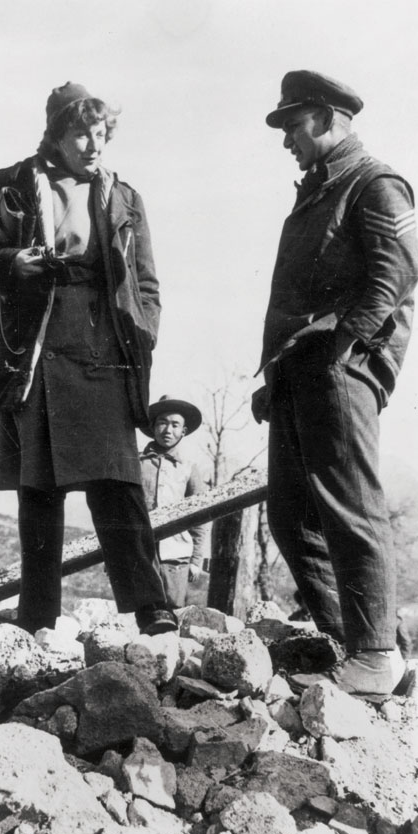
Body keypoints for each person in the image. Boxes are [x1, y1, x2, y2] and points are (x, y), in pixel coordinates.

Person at [0, 82, 176, 636]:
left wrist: (142, 333)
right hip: (34, 345)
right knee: (39, 486)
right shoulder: (10, 184)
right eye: (81, 134)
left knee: (117, 480)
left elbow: (146, 283)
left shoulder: (124, 196)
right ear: (55, 134)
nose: (94, 145)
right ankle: (38, 620)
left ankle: (152, 610)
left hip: (103, 347)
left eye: (101, 133)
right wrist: (10, 262)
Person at [253, 70, 418, 698]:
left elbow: (398, 273)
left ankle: (374, 654)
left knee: (350, 507)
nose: (286, 139)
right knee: (291, 517)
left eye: (293, 125)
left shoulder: (374, 183)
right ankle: (357, 648)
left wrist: (345, 347)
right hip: (300, 369)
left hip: (339, 368)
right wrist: (276, 374)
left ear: (324, 118)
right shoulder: (319, 189)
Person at [139, 395, 206, 607]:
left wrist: (195, 560)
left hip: (176, 556)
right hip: (140, 553)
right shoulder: (136, 463)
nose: (168, 430)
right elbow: (119, 512)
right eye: (162, 422)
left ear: (183, 431)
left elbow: (200, 516)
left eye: (175, 425)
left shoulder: (189, 467)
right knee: (144, 611)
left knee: (175, 610)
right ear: (152, 426)